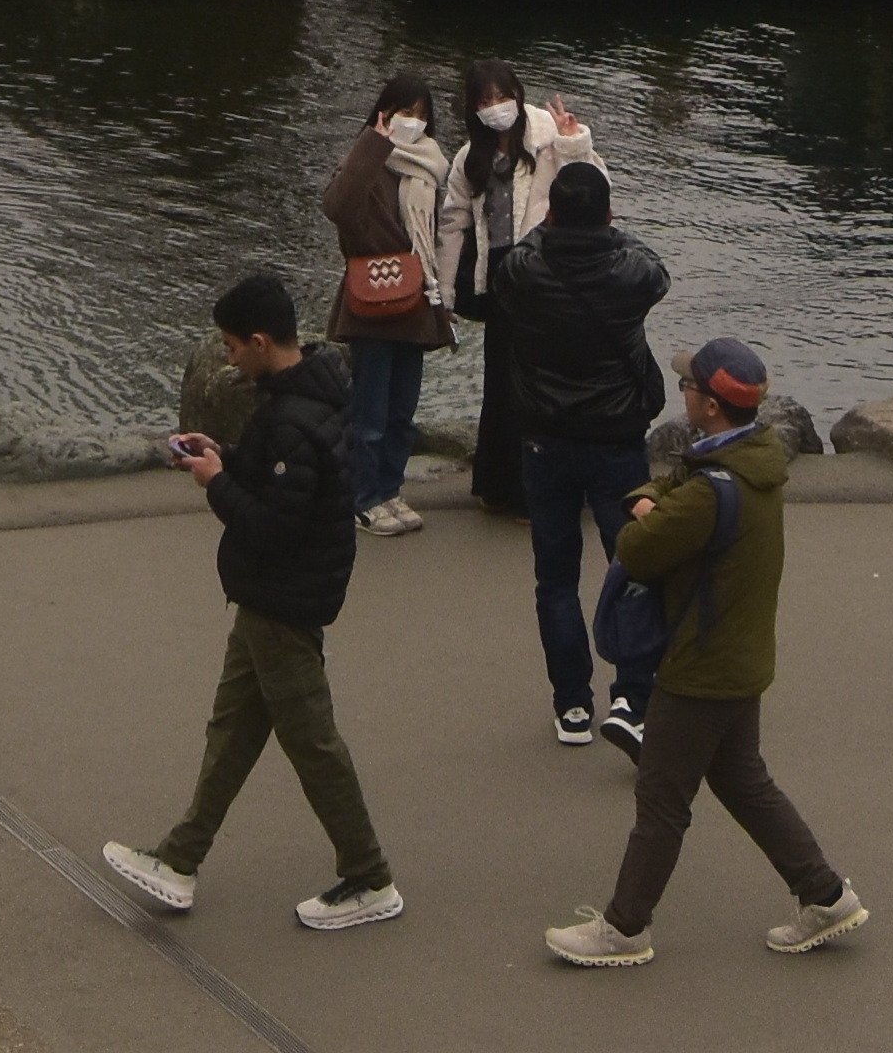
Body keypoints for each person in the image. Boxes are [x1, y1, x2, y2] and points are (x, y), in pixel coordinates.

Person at [540, 337, 862, 971]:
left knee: (661, 799)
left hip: (701, 665)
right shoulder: (753, 463)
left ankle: (625, 928)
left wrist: (644, 511)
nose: (681, 389)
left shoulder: (710, 491)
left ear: (709, 406)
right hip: (740, 657)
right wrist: (661, 502)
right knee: (743, 780)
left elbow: (637, 549)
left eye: (689, 385)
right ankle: (824, 894)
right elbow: (679, 499)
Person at [101, 271, 405, 934]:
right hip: (274, 598)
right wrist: (227, 456)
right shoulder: (312, 397)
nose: (229, 357)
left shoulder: (292, 418)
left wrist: (215, 483)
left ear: (262, 342)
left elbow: (271, 525)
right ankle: (180, 859)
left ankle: (369, 875)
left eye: (233, 346)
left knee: (311, 741)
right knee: (234, 728)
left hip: (282, 601)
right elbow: (280, 476)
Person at [487, 155, 672, 749]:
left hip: (545, 438)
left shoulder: (524, 271)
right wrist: (607, 227)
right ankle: (632, 696)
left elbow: (512, 257)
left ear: (552, 213)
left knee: (555, 577)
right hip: (616, 437)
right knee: (636, 566)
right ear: (608, 214)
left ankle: (571, 706)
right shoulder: (629, 275)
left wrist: (549, 222)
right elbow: (655, 268)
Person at [323, 74, 460, 531]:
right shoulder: (365, 163)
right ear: (385, 113)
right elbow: (339, 207)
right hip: (373, 298)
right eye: (406, 112)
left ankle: (390, 489)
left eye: (422, 116)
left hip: (417, 299)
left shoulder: (430, 167)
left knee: (402, 412)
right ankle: (364, 497)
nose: (414, 123)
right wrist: (372, 145)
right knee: (370, 413)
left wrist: (445, 294)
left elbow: (440, 236)